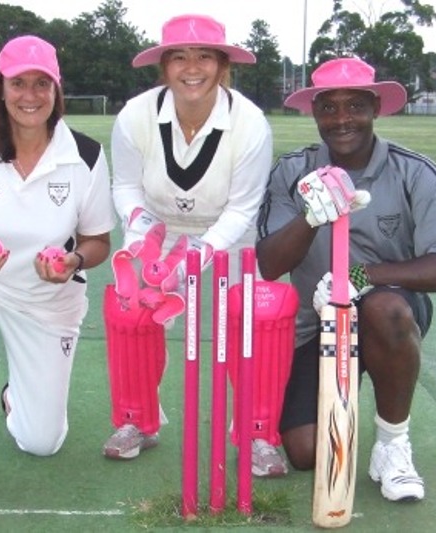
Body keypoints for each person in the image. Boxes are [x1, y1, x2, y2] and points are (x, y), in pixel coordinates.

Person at [102, 13, 291, 478]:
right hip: (156, 228)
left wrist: (196, 256)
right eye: (179, 57)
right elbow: (125, 188)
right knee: (131, 309)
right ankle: (137, 421)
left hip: (231, 232)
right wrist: (147, 239)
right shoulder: (136, 115)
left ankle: (258, 431)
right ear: (163, 66)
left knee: (258, 316)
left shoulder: (250, 124)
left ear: (222, 65)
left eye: (205, 56)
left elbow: (243, 209)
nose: (192, 67)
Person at [0, 35, 115, 488]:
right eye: (18, 83)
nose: (30, 96)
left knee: (42, 441)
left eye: (42, 84)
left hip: (46, 297)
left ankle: (15, 396)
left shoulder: (84, 155)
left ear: (56, 89)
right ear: (1, 87)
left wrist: (72, 261)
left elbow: (98, 241)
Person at [256, 56, 436, 501]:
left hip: (387, 315)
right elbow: (269, 264)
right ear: (315, 111)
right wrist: (311, 217)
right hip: (314, 325)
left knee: (381, 305)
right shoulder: (292, 169)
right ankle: (345, 394)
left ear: (375, 106)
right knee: (304, 450)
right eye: (330, 107)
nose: (342, 119)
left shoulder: (413, 170)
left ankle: (392, 445)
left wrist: (358, 275)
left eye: (355, 105)